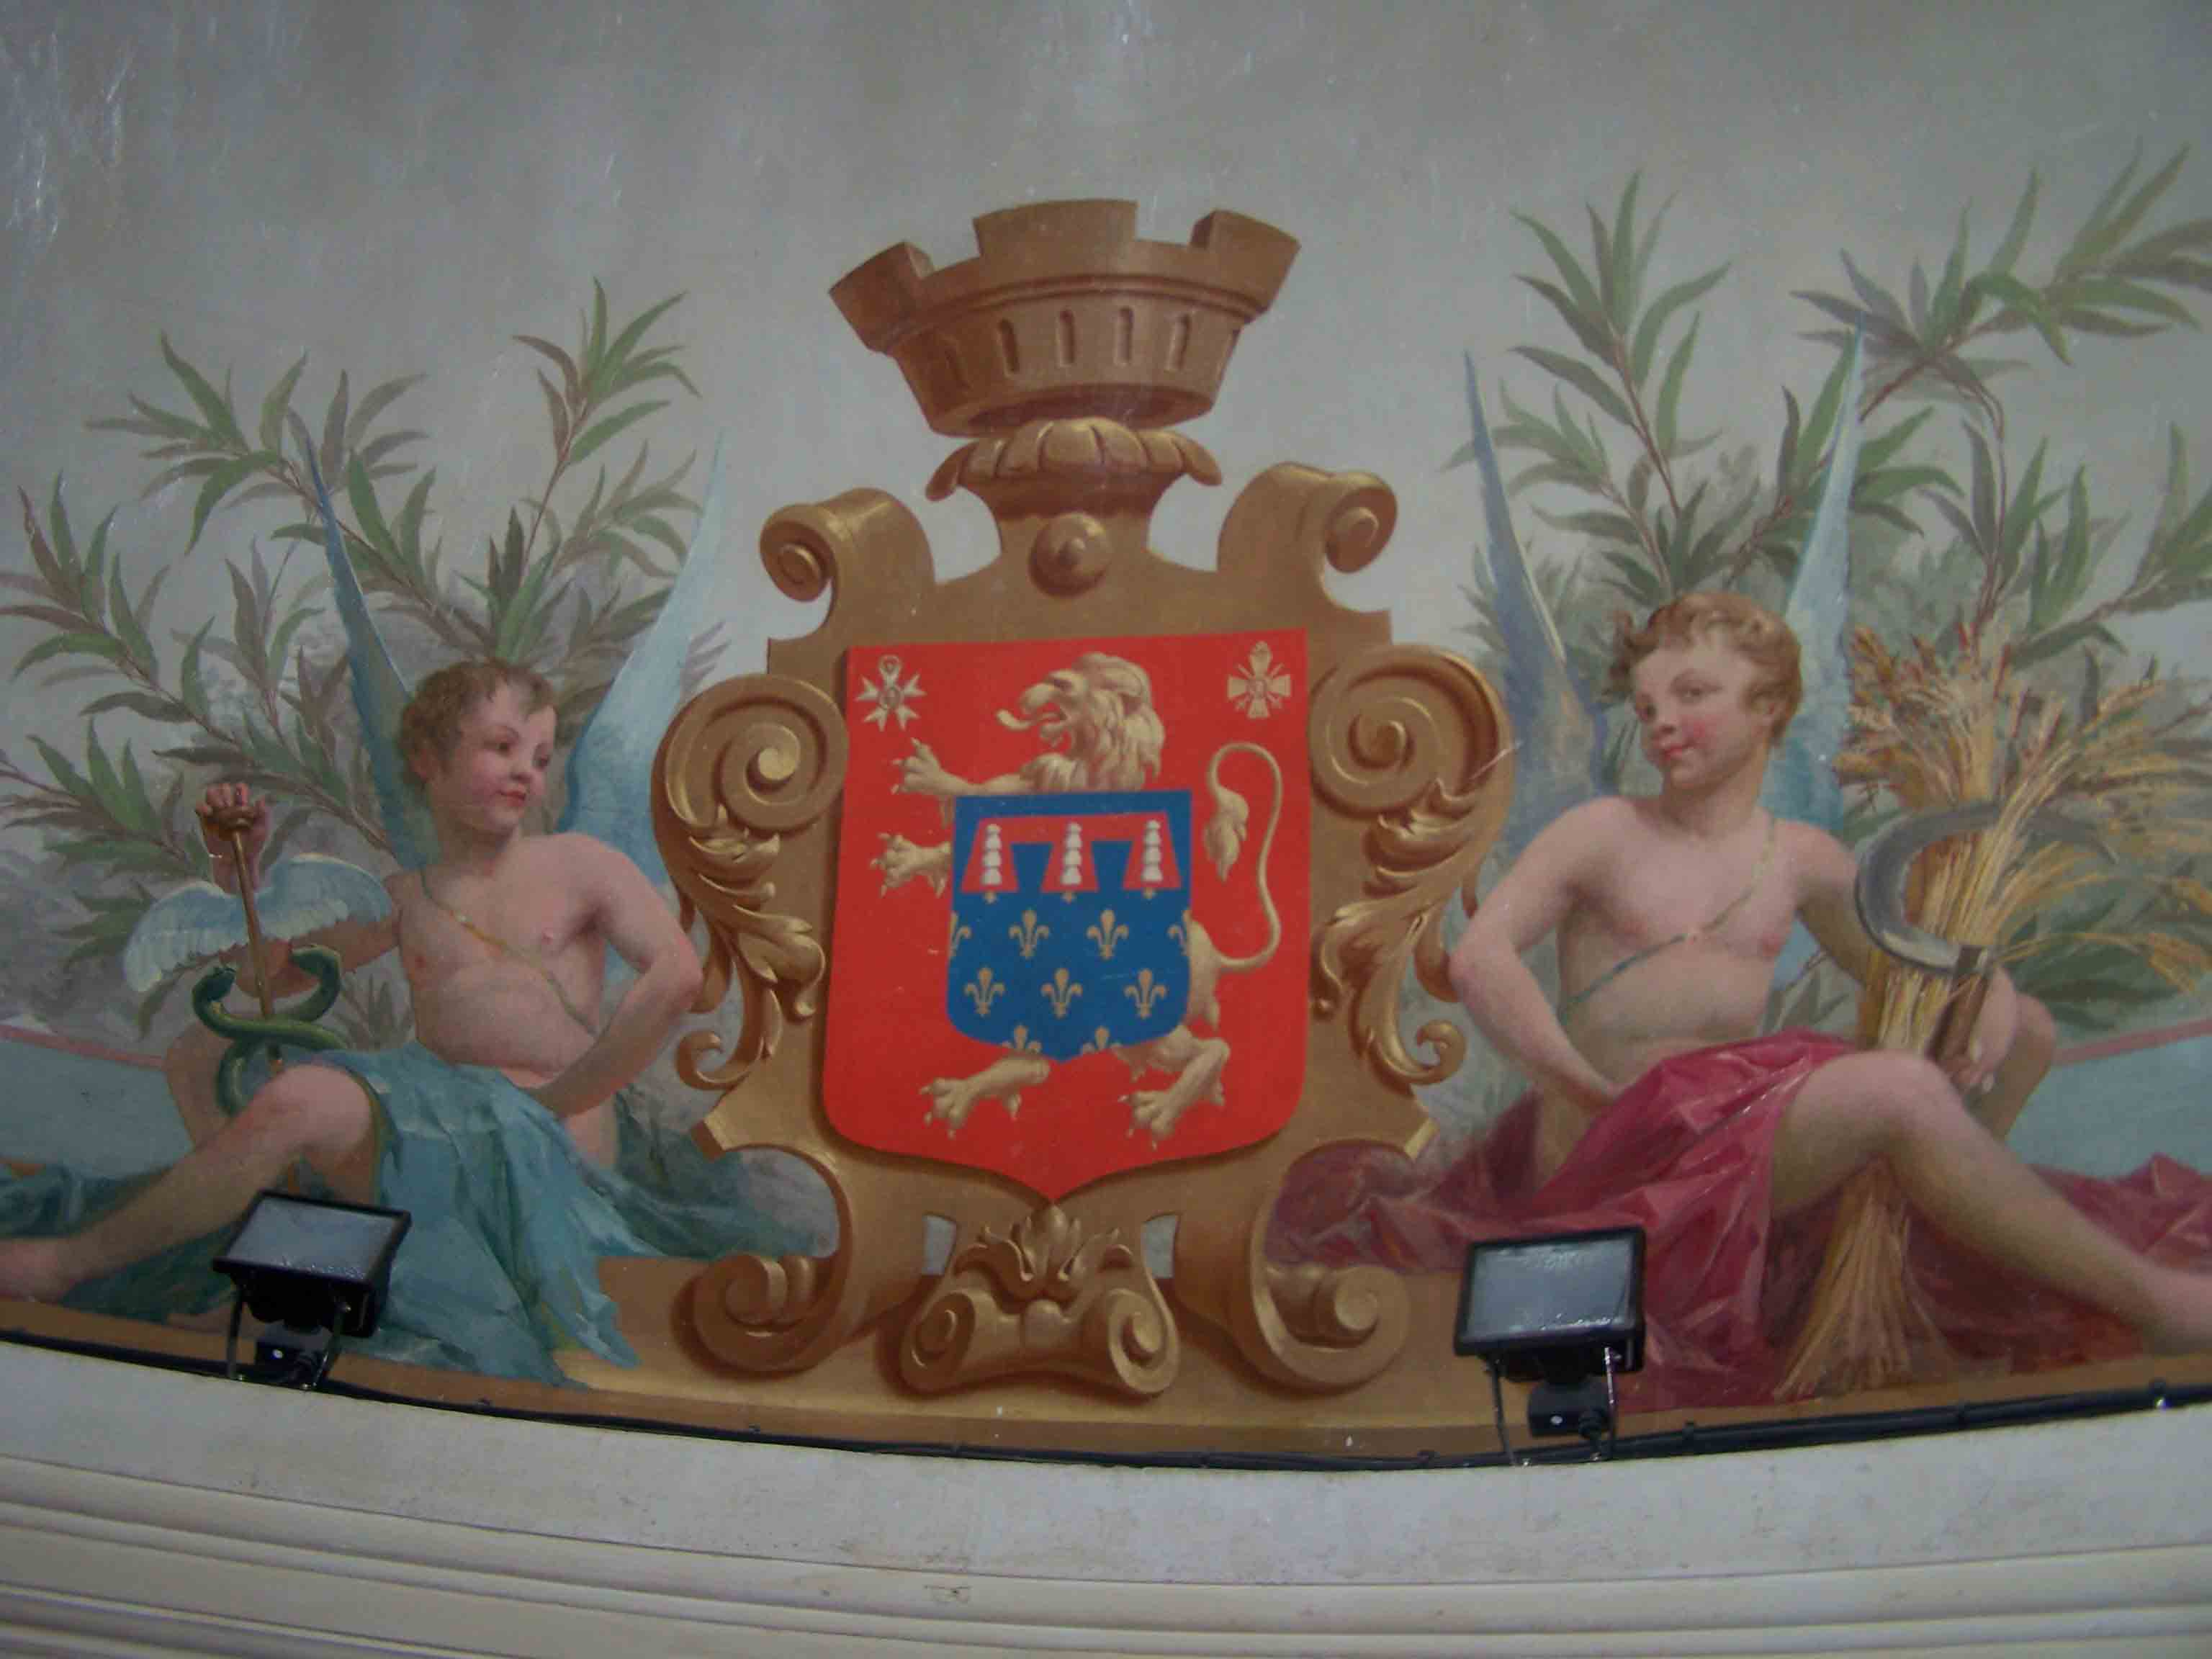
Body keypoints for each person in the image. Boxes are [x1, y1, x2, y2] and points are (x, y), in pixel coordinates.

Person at [1274, 592, 2212, 1406]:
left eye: (1693, 695)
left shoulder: (1798, 857)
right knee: (1895, 1090)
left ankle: (1920, 1256)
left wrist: (1991, 988)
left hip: (1726, 1132)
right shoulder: (1604, 831)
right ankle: (2154, 1303)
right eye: (1648, 706)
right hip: (1614, 1150)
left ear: (1768, 707)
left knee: (2029, 1031)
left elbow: (1912, 961)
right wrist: (1581, 1089)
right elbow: (1480, 961)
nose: (1661, 724)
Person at [0, 660, 800, 1383]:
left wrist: (568, 1094)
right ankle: (249, 1284)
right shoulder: (406, 897)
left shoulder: (578, 865)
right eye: (501, 747)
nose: (526, 772)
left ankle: (68, 1264)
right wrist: (237, 867)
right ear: (427, 759)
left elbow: (676, 975)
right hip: (435, 1115)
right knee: (236, 1073)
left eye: (539, 756)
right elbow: (266, 977)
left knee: (304, 1103)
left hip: (543, 1144)